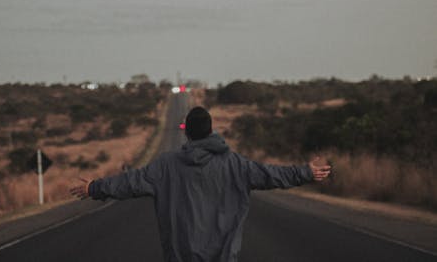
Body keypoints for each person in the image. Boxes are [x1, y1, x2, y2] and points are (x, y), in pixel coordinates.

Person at [70, 106, 331, 262]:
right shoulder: (235, 164)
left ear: (188, 132)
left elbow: (130, 182)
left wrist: (95, 187)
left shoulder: (166, 165)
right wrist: (305, 173)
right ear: (211, 130)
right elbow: (271, 174)